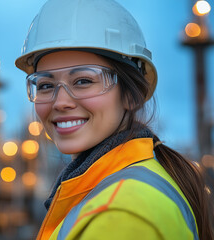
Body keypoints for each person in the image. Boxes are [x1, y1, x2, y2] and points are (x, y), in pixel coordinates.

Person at [15, 0, 213, 239]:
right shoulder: (111, 187)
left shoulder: (122, 214)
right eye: (46, 85)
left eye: (83, 81)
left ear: (131, 95)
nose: (60, 102)